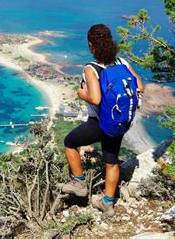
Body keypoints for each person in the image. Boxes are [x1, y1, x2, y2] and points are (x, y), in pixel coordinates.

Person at [57, 23, 145, 216]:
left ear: (91, 45)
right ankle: (107, 203)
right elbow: (141, 86)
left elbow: (95, 98)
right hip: (120, 122)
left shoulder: (92, 68)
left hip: (99, 122)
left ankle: (79, 182)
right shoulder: (122, 63)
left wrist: (81, 93)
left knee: (70, 142)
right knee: (111, 161)